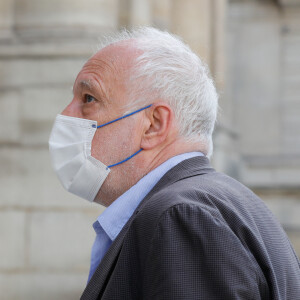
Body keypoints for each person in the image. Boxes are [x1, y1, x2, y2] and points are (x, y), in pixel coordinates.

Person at [48, 27, 300, 300]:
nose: (65, 115)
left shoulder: (182, 216)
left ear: (154, 125)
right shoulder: (218, 203)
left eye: (89, 99)